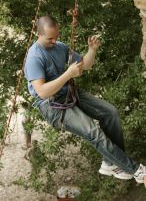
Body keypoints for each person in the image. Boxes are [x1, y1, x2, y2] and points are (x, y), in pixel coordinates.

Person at [24, 15, 146, 184]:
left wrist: (92, 50)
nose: (54, 41)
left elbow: (85, 65)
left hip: (69, 92)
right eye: (50, 38)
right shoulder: (34, 58)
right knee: (92, 131)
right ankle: (135, 170)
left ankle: (111, 163)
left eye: (57, 36)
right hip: (51, 105)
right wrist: (68, 74)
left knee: (110, 112)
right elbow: (42, 92)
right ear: (38, 34)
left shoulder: (60, 47)